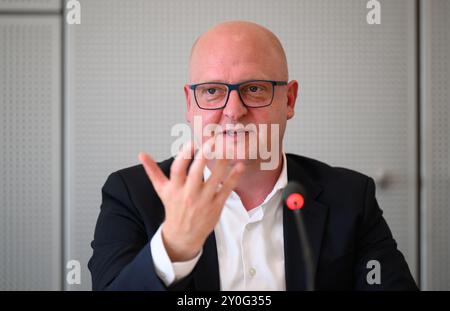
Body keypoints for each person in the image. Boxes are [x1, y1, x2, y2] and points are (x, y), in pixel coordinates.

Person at [88, 21, 418, 291]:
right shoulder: (131, 194)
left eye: (255, 89)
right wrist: (172, 248)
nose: (234, 111)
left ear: (289, 100)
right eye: (213, 91)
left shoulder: (350, 197)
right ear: (190, 104)